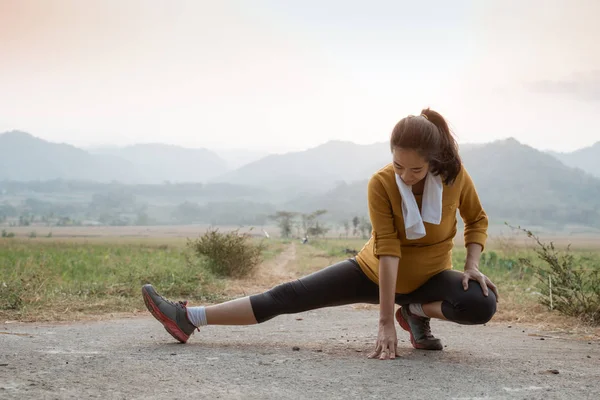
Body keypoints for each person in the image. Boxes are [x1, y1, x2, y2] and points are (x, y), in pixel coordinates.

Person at [142, 108, 499, 360]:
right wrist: (384, 321)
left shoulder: (455, 177)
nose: (405, 176)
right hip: (373, 272)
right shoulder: (380, 184)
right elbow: (388, 250)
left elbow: (477, 219)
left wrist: (471, 265)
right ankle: (188, 317)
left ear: (434, 161)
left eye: (416, 170)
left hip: (431, 277)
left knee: (482, 303)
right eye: (398, 166)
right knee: (286, 296)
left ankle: (416, 310)